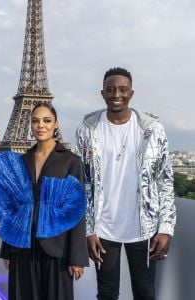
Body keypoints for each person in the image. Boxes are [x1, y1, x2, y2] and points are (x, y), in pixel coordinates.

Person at [76, 67, 176, 300]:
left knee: (145, 293)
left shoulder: (152, 130)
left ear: (131, 93)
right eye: (110, 90)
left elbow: (165, 180)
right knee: (107, 293)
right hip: (103, 228)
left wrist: (166, 228)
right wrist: (89, 229)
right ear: (102, 93)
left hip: (145, 227)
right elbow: (84, 184)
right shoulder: (87, 130)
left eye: (122, 90)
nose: (116, 95)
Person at [0, 103, 89, 300]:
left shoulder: (71, 161)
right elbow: (13, 208)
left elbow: (76, 211)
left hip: (57, 247)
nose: (40, 125)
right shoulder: (21, 161)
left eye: (46, 120)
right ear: (30, 125)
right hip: (22, 246)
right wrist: (8, 249)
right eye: (35, 121)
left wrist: (76, 257)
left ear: (56, 125)